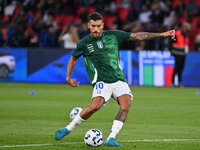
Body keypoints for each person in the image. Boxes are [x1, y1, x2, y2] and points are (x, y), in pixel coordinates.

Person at [54, 12, 175, 147]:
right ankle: (68, 128)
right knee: (95, 106)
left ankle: (111, 138)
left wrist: (162, 34)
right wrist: (68, 77)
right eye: (93, 26)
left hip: (118, 79)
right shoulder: (84, 43)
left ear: (102, 25)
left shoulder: (113, 35)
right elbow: (73, 58)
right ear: (88, 25)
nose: (96, 29)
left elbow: (137, 36)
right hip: (101, 81)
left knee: (126, 104)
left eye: (98, 26)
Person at [171, 22, 191, 87]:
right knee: (176, 68)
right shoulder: (178, 33)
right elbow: (172, 42)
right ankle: (172, 83)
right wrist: (171, 51)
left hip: (183, 53)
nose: (189, 28)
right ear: (184, 27)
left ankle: (179, 82)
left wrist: (186, 48)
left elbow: (185, 43)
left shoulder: (186, 34)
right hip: (177, 53)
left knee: (181, 68)